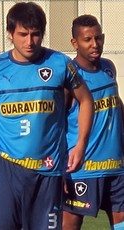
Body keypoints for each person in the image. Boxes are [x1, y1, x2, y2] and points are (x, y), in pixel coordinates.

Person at [0, 2, 94, 230]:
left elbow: (86, 100)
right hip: (7, 170)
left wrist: (80, 144)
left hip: (48, 171)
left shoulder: (59, 64)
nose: (29, 41)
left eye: (35, 34)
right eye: (22, 34)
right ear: (10, 34)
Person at [62, 15, 124, 230]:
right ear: (74, 43)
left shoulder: (109, 67)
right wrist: (60, 169)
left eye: (98, 38)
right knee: (69, 224)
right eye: (87, 39)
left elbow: (116, 104)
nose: (94, 44)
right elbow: (57, 124)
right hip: (82, 168)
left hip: (115, 166)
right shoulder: (68, 76)